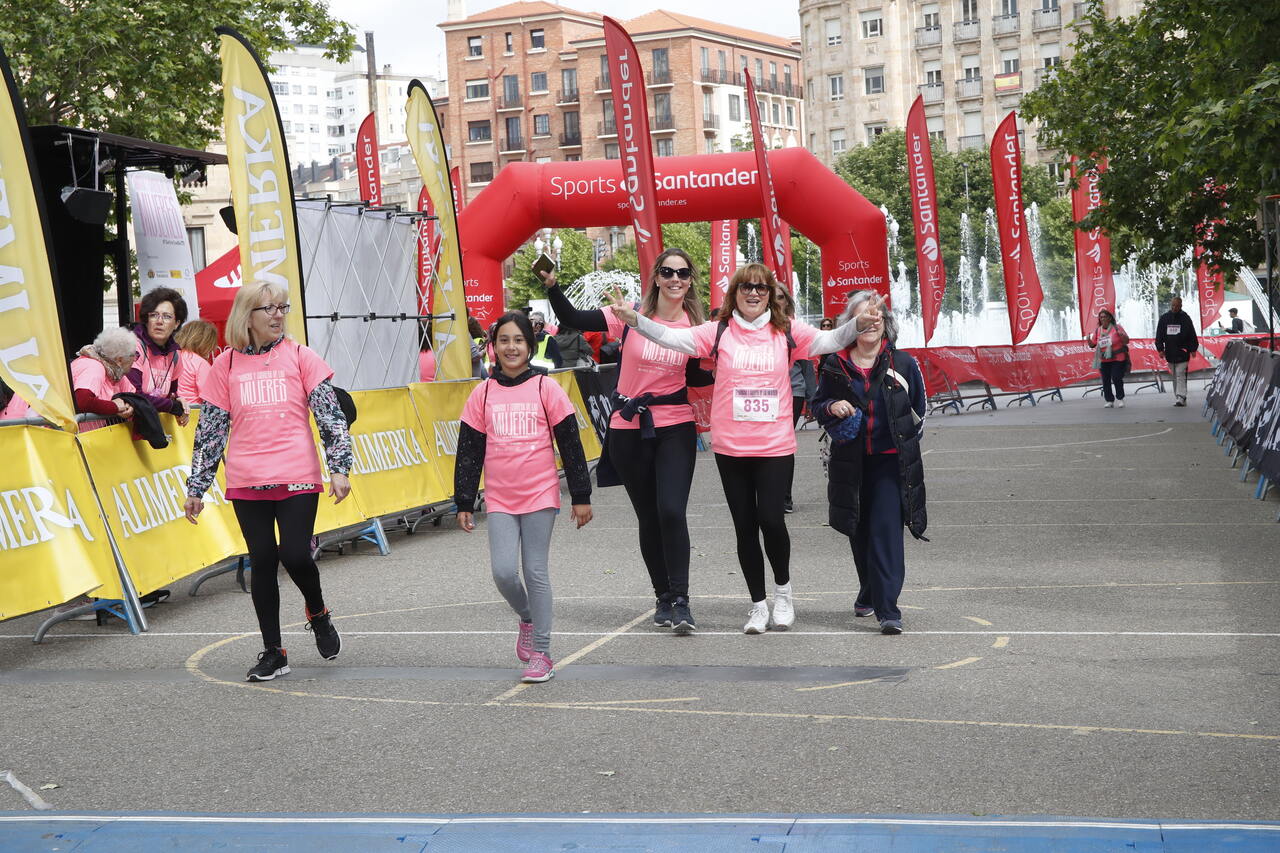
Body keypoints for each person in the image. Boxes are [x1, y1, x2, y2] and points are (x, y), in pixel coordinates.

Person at [610, 263, 872, 634]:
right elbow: (669, 338)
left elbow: (830, 341)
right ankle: (758, 605)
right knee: (744, 527)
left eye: (761, 288)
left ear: (769, 294)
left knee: (771, 518)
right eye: (746, 287)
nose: (753, 293)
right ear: (734, 293)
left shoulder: (787, 332)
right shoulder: (718, 332)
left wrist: (858, 325)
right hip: (731, 446)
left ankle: (783, 593)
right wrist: (634, 320)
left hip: (774, 444)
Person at [183, 281, 354, 683]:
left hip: (296, 474)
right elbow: (210, 431)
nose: (278, 315)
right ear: (247, 317)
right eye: (268, 309)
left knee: (295, 555)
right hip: (247, 478)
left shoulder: (300, 356)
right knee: (261, 561)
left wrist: (339, 467)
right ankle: (274, 652)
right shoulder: (224, 366)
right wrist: (197, 486)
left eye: (282, 307)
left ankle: (318, 611)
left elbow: (331, 417)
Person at [539, 248, 710, 633]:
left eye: (683, 273)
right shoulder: (629, 314)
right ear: (657, 277)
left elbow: (702, 377)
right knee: (648, 516)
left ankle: (682, 601)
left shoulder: (696, 326)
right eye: (667, 272)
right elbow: (572, 319)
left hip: (675, 426)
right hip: (628, 427)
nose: (675, 279)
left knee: (671, 511)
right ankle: (663, 597)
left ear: (690, 280)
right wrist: (552, 287)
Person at [454, 311, 593, 683]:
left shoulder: (546, 388)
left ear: (530, 347)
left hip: (540, 494)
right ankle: (528, 617)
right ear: (493, 347)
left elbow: (570, 443)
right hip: (500, 497)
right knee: (502, 572)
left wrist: (581, 495)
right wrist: (464, 500)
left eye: (518, 340)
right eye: (504, 341)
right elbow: (469, 450)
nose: (511, 347)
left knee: (535, 570)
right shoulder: (482, 393)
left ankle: (542, 654)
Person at [812, 290, 928, 635]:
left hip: (890, 463)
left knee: (885, 531)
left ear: (885, 323)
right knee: (858, 530)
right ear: (851, 325)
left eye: (876, 317)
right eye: (862, 318)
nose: (870, 323)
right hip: (850, 460)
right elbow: (818, 406)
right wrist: (832, 408)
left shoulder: (903, 364)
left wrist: (904, 444)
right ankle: (868, 591)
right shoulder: (835, 364)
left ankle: (888, 608)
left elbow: (919, 412)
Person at [128, 287, 188, 424]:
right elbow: (134, 396)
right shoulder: (133, 346)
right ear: (146, 319)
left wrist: (178, 400)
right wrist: (172, 407)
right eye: (154, 315)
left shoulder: (175, 355)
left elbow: (171, 393)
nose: (159, 321)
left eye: (167, 316)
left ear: (177, 323)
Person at [779, 287, 815, 514]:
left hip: (793, 391)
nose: (776, 300)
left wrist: (813, 399)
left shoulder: (795, 329)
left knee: (783, 444)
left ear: (787, 302)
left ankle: (784, 497)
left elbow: (807, 368)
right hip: (765, 395)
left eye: (780, 296)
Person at [71, 327, 139, 430]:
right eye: (134, 356)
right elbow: (82, 401)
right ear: (120, 359)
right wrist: (115, 407)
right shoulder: (94, 366)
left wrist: (130, 406)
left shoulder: (115, 372)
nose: (135, 360)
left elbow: (133, 396)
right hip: (68, 437)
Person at [1154, 296, 1200, 407]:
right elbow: (1159, 334)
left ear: (1181, 306)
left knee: (1180, 374)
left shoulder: (1186, 318)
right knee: (1175, 375)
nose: (1175, 307)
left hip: (1183, 351)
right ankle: (1178, 395)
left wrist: (1193, 348)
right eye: (1173, 305)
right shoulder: (1164, 318)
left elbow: (1192, 334)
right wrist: (1160, 349)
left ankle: (1181, 396)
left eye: (1177, 306)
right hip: (1170, 352)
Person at [1086, 308, 1130, 408]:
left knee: (1116, 377)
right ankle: (1109, 400)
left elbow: (1127, 341)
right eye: (1101, 317)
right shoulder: (1098, 330)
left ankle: (1120, 398)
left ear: (1110, 318)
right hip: (1103, 359)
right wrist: (1088, 340)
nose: (1103, 319)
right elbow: (1093, 345)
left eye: (1105, 317)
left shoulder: (1117, 327)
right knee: (1105, 380)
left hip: (1118, 357)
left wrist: (1122, 335)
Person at [173, 319, 218, 407]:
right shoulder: (200, 363)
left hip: (171, 411)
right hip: (193, 412)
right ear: (205, 342)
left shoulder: (172, 356)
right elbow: (211, 397)